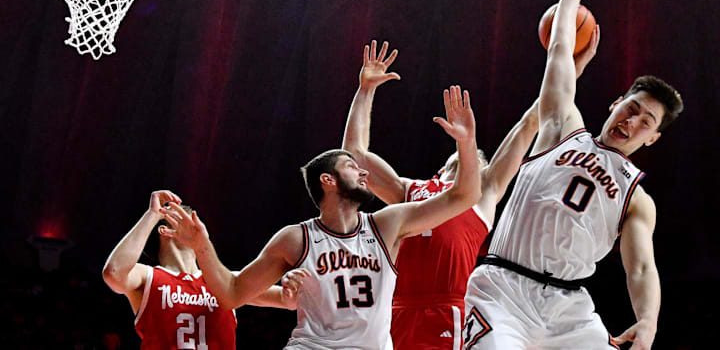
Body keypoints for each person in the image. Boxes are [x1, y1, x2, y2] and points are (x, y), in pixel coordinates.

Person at [462, 0, 683, 350]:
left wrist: (648, 322)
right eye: (631, 109)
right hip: (503, 288)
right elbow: (560, 56)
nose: (632, 122)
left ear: (653, 139)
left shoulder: (636, 198)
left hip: (569, 309)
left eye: (646, 122)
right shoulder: (564, 126)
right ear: (616, 104)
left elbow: (642, 266)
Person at [159, 85, 482, 349]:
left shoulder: (386, 224)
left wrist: (466, 143)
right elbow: (232, 293)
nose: (362, 170)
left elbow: (464, 196)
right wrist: (202, 248)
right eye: (351, 167)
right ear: (328, 181)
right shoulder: (295, 239)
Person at [341, 39, 598, 349]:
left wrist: (570, 71)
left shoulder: (483, 192)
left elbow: (529, 122)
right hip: (395, 308)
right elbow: (353, 156)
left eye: (479, 162)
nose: (477, 158)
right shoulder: (408, 191)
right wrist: (365, 89)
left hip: (449, 309)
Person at [102, 191, 298, 349]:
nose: (193, 223)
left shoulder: (228, 282)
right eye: (183, 217)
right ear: (164, 230)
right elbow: (114, 272)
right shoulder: (149, 277)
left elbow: (287, 300)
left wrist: (291, 294)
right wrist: (152, 214)